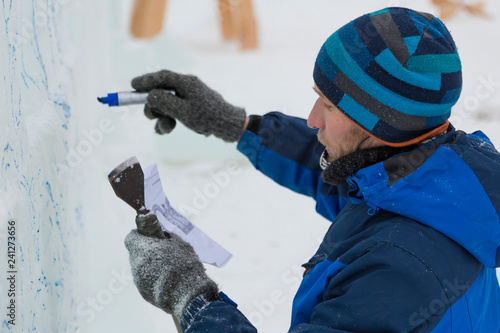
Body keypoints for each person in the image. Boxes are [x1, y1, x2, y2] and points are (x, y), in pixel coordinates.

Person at [123, 7, 500, 332]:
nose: (312, 119)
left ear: (381, 125)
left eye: (331, 107)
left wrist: (190, 297)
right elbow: (346, 176)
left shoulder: (398, 271)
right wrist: (236, 125)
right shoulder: (440, 182)